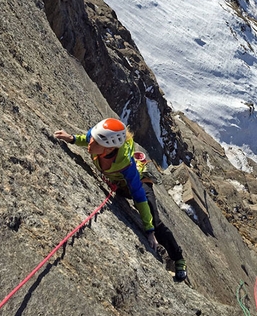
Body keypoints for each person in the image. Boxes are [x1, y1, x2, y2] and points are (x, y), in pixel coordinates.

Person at [54, 118, 187, 282]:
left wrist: (150, 231)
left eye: (96, 142)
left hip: (139, 183)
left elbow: (138, 194)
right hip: (120, 185)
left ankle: (178, 258)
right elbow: (86, 138)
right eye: (93, 139)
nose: (91, 144)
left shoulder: (125, 163)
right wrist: (72, 138)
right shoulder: (98, 136)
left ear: (110, 147)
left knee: (155, 221)